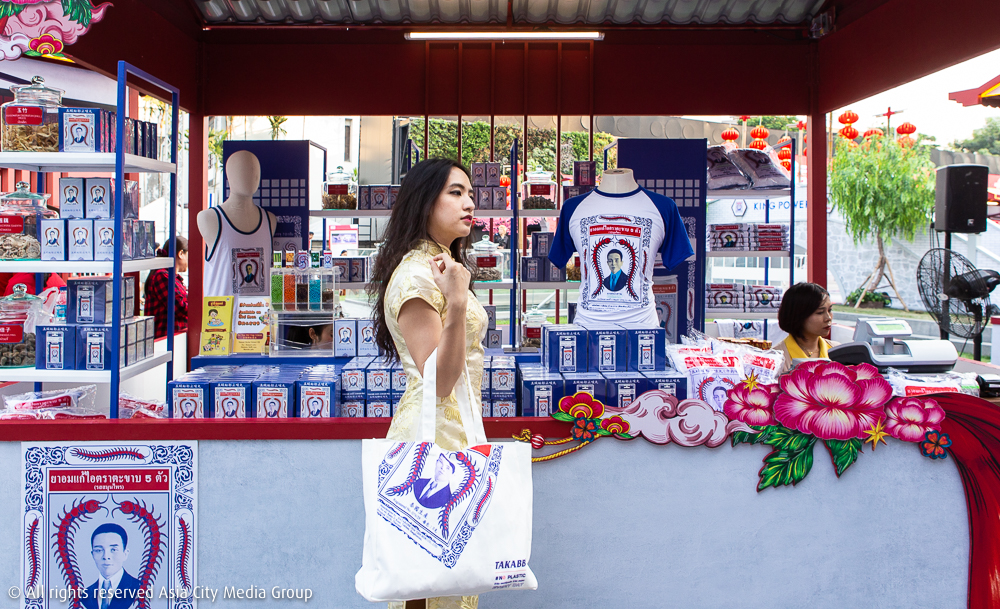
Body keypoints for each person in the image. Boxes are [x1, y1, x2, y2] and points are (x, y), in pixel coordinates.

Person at [368, 158, 487, 609]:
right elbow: (438, 380)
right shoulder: (417, 276)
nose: (469, 203)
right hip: (431, 444)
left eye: (470, 193)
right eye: (455, 193)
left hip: (453, 436)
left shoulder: (438, 265)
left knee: (450, 578)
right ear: (424, 201)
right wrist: (456, 303)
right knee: (428, 581)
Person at [775, 282, 837, 373]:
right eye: (820, 312)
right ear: (798, 315)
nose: (828, 318)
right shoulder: (776, 359)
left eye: (830, 310)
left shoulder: (838, 351)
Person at [83, 523, 142, 609]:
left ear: (125, 553)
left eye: (113, 550)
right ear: (92, 554)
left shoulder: (140, 588)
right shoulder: (85, 595)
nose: (106, 556)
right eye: (99, 550)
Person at [143, 236, 188, 339]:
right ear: (181, 254)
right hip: (165, 339)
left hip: (171, 338)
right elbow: (180, 308)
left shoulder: (169, 276)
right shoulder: (162, 276)